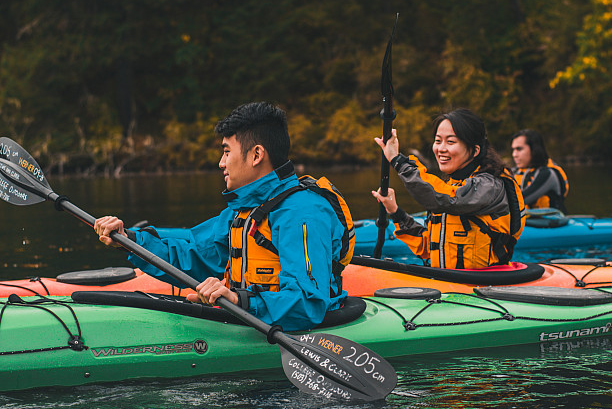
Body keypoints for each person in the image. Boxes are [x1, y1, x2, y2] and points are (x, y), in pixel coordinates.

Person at [93, 102, 354, 331]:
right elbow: (193, 254)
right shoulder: (244, 210)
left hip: (295, 329)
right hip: (250, 320)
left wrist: (239, 300)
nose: (221, 162)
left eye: (227, 151)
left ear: (256, 155)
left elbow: (308, 304)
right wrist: (130, 240)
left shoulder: (301, 212)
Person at [372, 108, 525, 269]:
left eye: (450, 142)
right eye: (438, 141)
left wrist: (398, 161)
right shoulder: (451, 185)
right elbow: (427, 247)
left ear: (475, 150)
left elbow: (447, 199)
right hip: (448, 283)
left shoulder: (489, 185)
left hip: (484, 283)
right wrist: (395, 212)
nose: (441, 149)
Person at [510, 129, 569, 213]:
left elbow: (520, 200)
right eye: (513, 150)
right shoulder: (515, 171)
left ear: (534, 149)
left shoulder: (547, 174)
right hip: (527, 221)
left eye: (519, 149)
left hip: (551, 223)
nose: (514, 155)